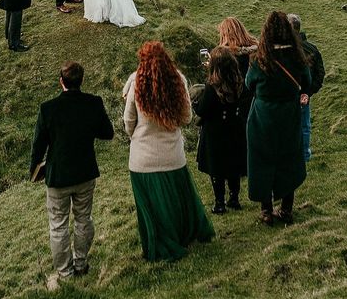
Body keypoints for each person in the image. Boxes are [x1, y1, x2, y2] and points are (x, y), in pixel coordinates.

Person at [123, 41, 214, 261]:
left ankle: (157, 242)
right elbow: (187, 117)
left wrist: (135, 135)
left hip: (142, 157)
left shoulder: (136, 83)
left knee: (151, 207)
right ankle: (181, 235)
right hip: (172, 155)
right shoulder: (178, 80)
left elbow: (128, 120)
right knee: (175, 201)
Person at [30, 61, 114, 283]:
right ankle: (81, 263)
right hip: (85, 172)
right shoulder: (93, 103)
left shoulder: (47, 108)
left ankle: (65, 273)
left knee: (58, 225)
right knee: (83, 219)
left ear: (61, 82)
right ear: (82, 80)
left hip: (58, 176)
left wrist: (34, 169)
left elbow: (38, 144)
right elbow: (107, 133)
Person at [246, 10, 311, 226]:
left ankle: (266, 210)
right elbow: (307, 82)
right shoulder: (297, 57)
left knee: (263, 160)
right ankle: (286, 209)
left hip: (263, 115)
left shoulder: (260, 59)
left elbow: (249, 84)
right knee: (288, 158)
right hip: (289, 114)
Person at [193, 47, 249, 214]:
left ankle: (219, 203)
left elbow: (203, 110)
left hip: (215, 132)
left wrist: (196, 103)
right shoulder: (240, 82)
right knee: (234, 164)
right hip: (235, 128)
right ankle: (234, 198)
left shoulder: (213, 87)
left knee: (216, 168)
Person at [288, 13, 325, 162]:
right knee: (304, 126)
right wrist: (308, 92)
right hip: (304, 94)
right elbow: (320, 73)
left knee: (287, 126)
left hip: (286, 95)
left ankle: (289, 156)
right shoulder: (312, 49)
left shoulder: (283, 50)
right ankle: (304, 155)